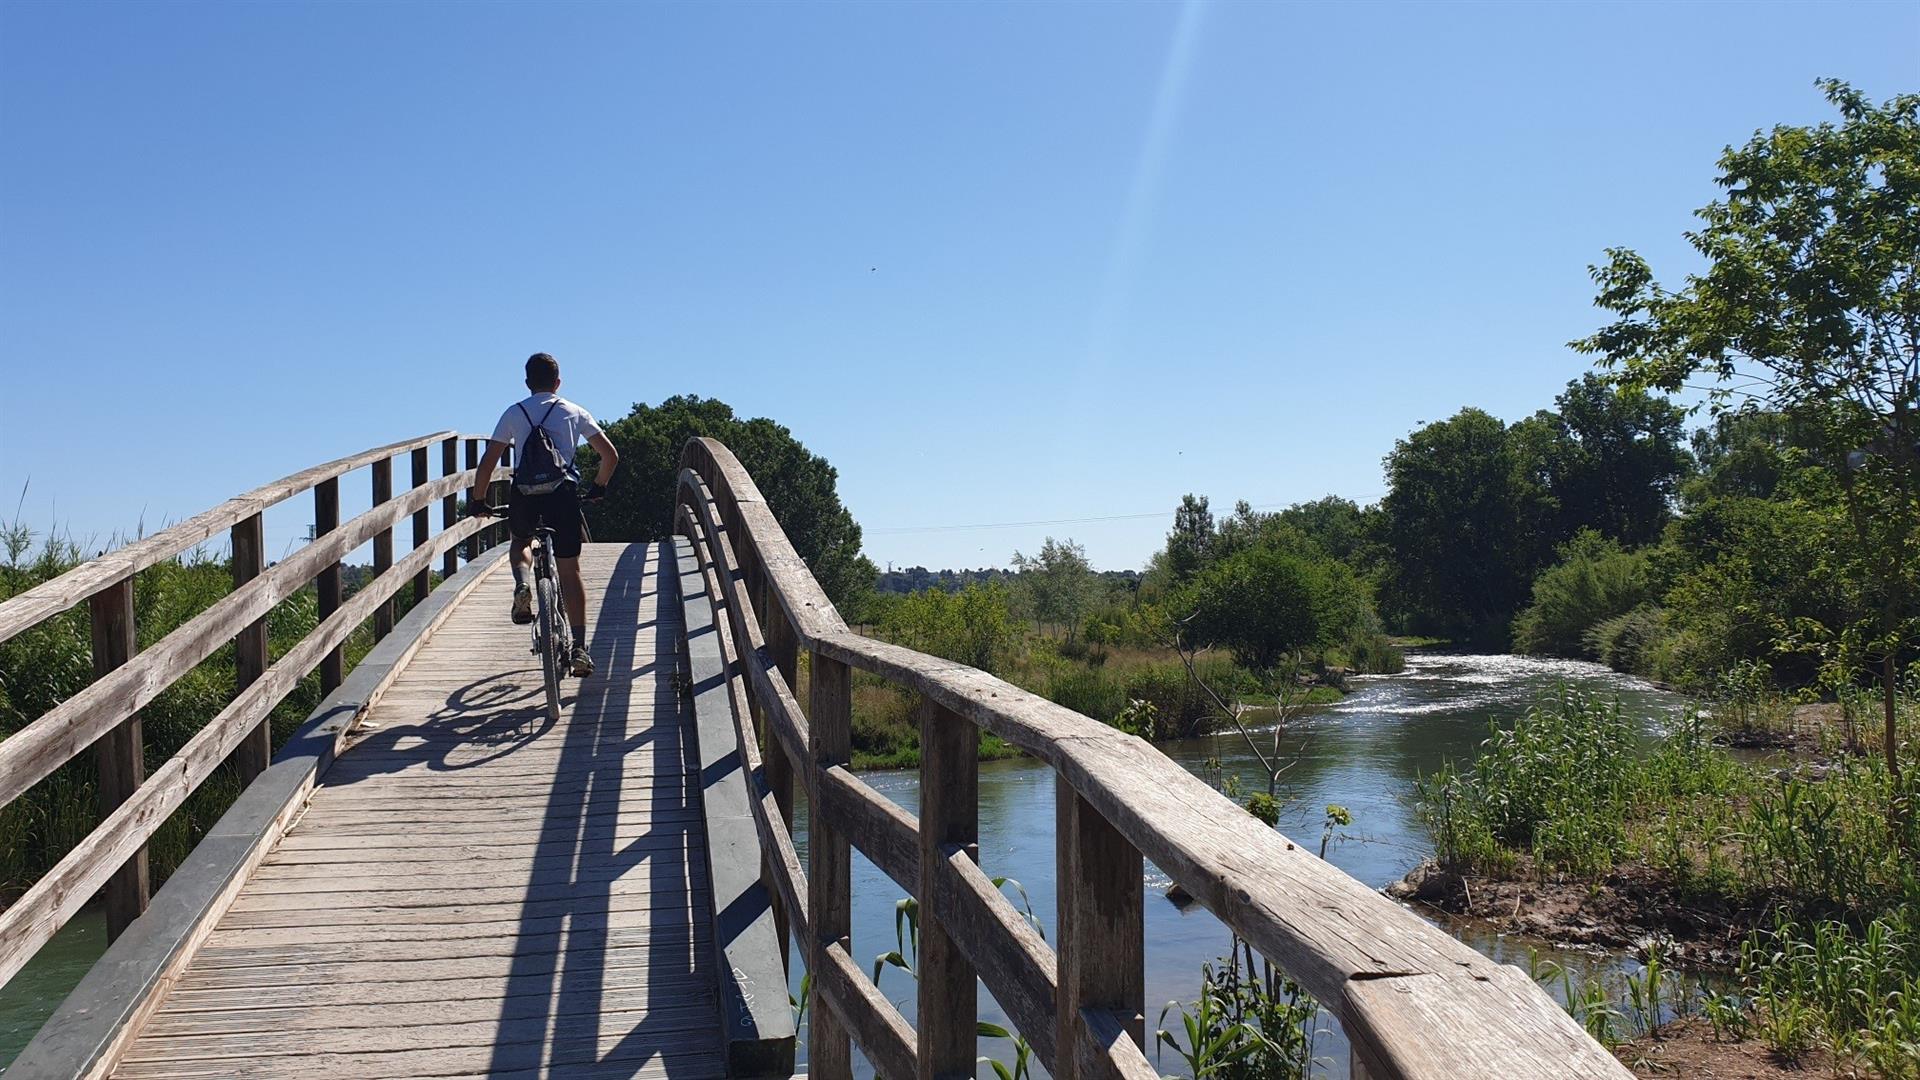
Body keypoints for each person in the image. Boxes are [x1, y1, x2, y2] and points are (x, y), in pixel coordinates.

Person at [466, 353, 619, 677]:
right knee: (569, 570)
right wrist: (599, 486)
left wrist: (478, 500)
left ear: (527, 383)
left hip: (525, 494)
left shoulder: (514, 412)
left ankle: (523, 586)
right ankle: (579, 647)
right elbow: (610, 455)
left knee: (520, 539)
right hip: (562, 494)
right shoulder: (573, 411)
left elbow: (489, 461)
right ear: (558, 382)